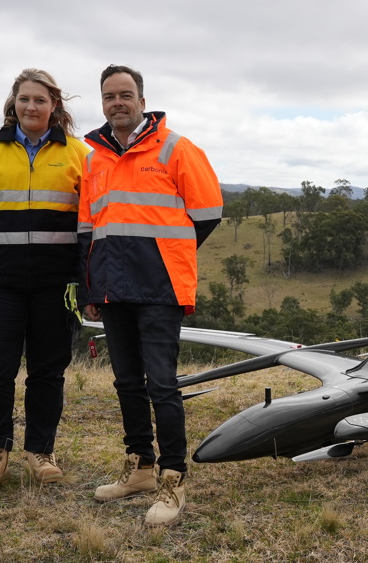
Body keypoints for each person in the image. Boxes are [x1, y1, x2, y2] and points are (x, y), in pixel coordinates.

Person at [79, 64, 222, 526]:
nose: (117, 103)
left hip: (160, 287)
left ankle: (173, 478)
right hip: (112, 287)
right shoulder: (94, 159)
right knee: (126, 382)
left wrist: (165, 255)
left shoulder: (176, 148)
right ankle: (140, 466)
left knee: (162, 384)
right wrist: (90, 286)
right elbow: (88, 229)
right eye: (109, 96)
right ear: (103, 103)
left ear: (142, 100)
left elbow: (208, 213)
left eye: (125, 95)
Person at [0, 68, 88, 496]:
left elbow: (90, 218)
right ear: (13, 102)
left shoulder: (79, 155)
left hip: (56, 284)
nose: (31, 106)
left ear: (55, 106)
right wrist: (1, 249)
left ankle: (41, 451)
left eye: (40, 100)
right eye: (25, 99)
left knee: (48, 369)